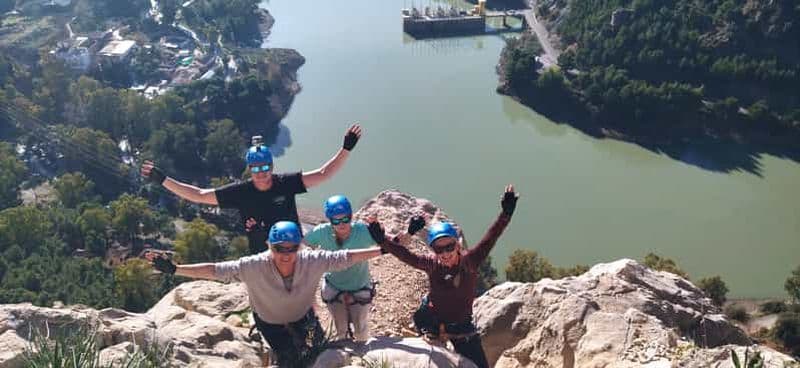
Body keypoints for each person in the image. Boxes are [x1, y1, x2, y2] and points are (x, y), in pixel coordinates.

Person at [146, 221, 383, 367]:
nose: (286, 254)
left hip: (304, 319)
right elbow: (216, 270)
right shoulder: (254, 266)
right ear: (270, 246)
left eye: (292, 248)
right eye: (280, 249)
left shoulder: (312, 260)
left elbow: (346, 257)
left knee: (319, 353)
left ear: (299, 247)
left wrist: (381, 248)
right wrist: (176, 269)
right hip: (271, 325)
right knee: (290, 362)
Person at [141, 124, 363, 254]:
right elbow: (198, 195)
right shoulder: (241, 192)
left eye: (266, 166)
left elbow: (324, 174)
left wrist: (346, 149)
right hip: (263, 254)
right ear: (249, 169)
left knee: (304, 298)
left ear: (272, 165)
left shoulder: (285, 183)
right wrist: (163, 180)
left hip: (294, 248)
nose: (262, 172)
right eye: (256, 168)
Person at [367, 185, 518, 368]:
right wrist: (383, 240)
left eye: (449, 247)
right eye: (439, 249)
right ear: (433, 249)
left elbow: (491, 237)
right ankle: (429, 335)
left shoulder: (470, 261)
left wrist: (506, 214)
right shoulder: (432, 264)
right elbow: (405, 256)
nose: (445, 253)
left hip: (462, 326)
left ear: (457, 245)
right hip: (432, 320)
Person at [304, 195, 377, 341]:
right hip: (334, 286)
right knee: (340, 327)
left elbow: (393, 246)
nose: (341, 224)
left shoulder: (363, 231)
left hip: (359, 286)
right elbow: (299, 246)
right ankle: (342, 355)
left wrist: (409, 233)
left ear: (351, 216)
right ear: (329, 220)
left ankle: (362, 354)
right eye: (336, 221)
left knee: (360, 327)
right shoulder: (321, 232)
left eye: (345, 219)